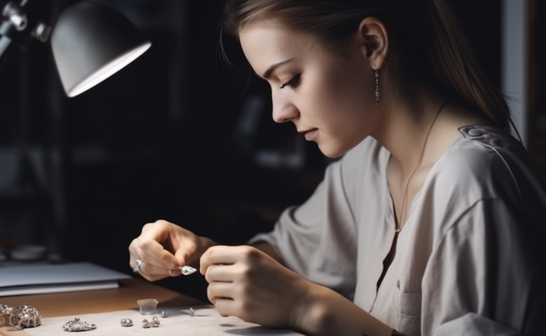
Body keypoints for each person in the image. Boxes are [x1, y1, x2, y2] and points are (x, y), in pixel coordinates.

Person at [128, 0, 546, 335]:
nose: (278, 112)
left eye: (290, 79)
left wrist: (311, 308)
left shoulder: (476, 184)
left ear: (370, 44)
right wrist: (199, 252)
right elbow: (282, 263)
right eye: (269, 85)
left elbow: (293, 292)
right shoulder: (369, 161)